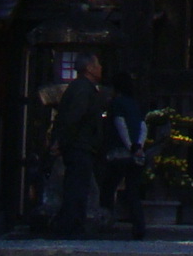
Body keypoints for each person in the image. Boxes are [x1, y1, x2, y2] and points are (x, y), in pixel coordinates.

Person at [51, 53, 105, 237]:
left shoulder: (82, 87)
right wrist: (63, 140)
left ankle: (70, 225)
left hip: (79, 143)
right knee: (77, 187)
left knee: (77, 186)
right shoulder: (83, 88)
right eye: (97, 64)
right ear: (89, 68)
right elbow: (75, 116)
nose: (100, 68)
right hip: (79, 144)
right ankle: (71, 227)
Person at [104, 71, 150, 238]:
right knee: (132, 191)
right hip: (136, 154)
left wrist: (130, 146)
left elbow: (120, 124)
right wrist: (138, 146)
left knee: (109, 188)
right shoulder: (135, 104)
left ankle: (106, 222)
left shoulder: (117, 103)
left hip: (119, 152)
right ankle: (139, 227)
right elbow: (143, 126)